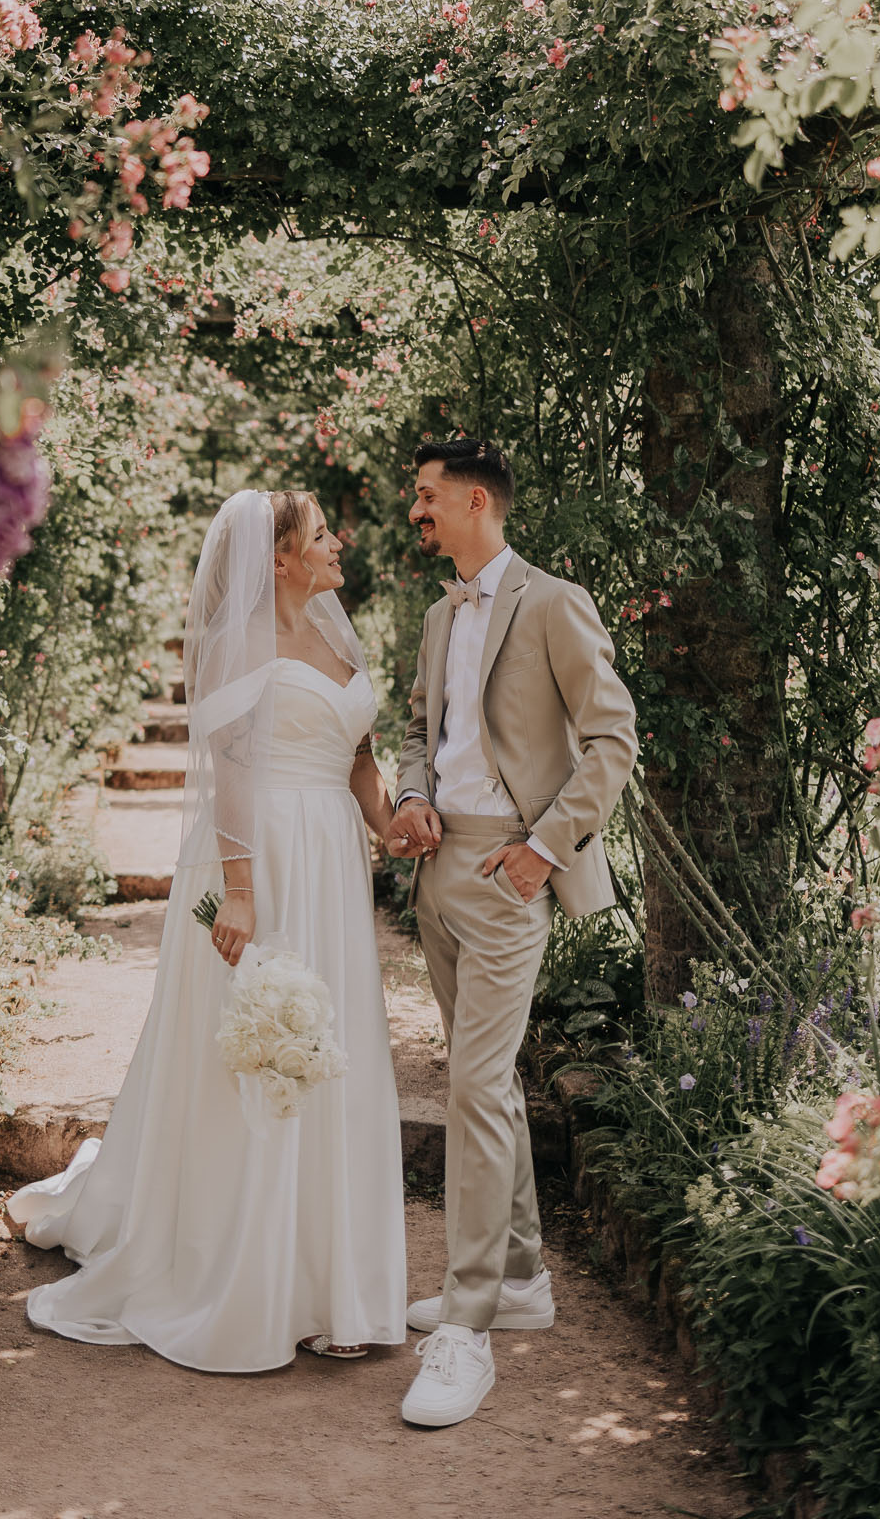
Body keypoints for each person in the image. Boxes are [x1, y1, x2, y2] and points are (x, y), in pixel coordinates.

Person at [6, 488, 407, 1371]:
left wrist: (391, 825)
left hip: (332, 860)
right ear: (278, 557)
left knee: (329, 1049)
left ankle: (334, 1281)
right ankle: (250, 1274)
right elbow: (230, 770)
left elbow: (361, 758)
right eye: (319, 533)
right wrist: (239, 890)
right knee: (254, 1053)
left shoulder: (338, 633)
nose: (337, 542)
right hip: (261, 855)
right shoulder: (235, 645)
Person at [385, 438, 637, 1429]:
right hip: (437, 869)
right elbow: (417, 726)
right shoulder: (438, 612)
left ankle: (467, 1327)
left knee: (475, 1086)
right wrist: (410, 795)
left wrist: (544, 845)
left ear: (476, 500)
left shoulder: (552, 602)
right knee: (476, 1074)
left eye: (426, 498)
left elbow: (611, 735)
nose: (416, 512)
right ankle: (521, 1274)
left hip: (507, 872)